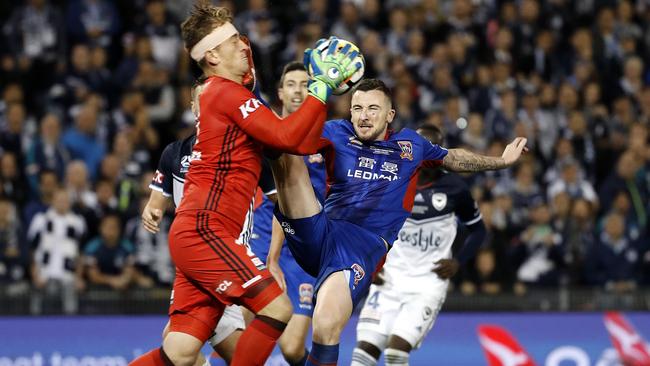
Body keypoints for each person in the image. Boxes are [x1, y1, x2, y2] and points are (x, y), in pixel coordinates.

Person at [131, 2, 362, 365]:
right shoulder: (223, 92)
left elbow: (297, 142)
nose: (245, 45)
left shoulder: (230, 95)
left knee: (180, 352)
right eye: (234, 40)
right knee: (277, 308)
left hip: (201, 233)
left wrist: (320, 91)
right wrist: (319, 87)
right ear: (211, 55)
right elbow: (288, 138)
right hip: (208, 231)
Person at [270, 78, 527, 365]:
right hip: (319, 228)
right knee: (284, 151)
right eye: (357, 108)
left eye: (372, 108)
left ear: (389, 115)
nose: (363, 116)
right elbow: (293, 136)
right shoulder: (336, 131)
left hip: (359, 244)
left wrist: (501, 162)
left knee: (326, 324)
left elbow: (454, 158)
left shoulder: (411, 145)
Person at [351, 124, 487, 366]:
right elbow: (361, 223)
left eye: (431, 148)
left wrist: (458, 261)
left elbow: (478, 230)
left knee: (396, 352)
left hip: (427, 283)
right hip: (389, 279)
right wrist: (369, 262)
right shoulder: (390, 178)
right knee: (364, 353)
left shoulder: (455, 188)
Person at [249, 61, 325, 366]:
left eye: (305, 84)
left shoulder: (326, 137)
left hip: (302, 255)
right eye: (291, 84)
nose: (298, 90)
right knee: (237, 333)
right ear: (280, 92)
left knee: (292, 349)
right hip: (263, 243)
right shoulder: (266, 133)